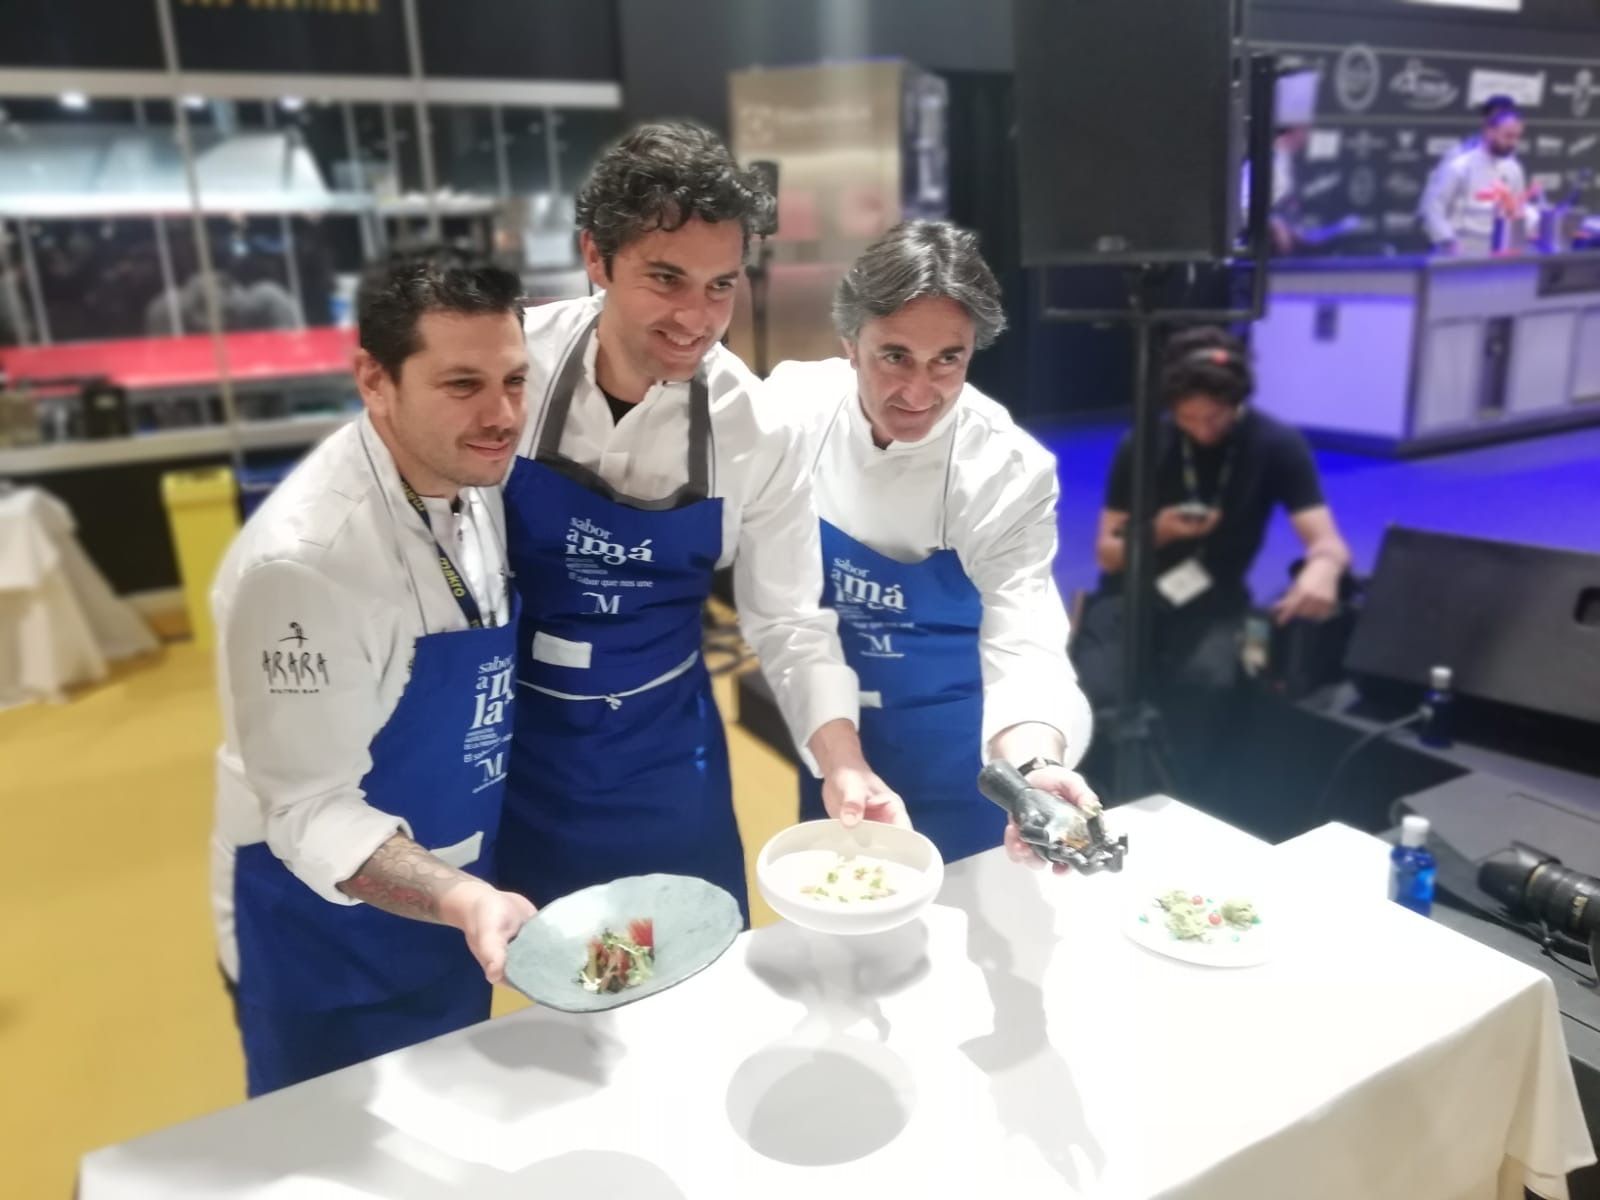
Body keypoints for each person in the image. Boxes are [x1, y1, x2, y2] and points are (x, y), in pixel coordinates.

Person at [496, 122, 906, 922]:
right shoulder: (511, 369)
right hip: (514, 744)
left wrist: (843, 760)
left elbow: (788, 617)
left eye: (721, 285)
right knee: (537, 977)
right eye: (666, 278)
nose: (697, 317)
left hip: (660, 752)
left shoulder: (754, 428)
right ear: (594, 256)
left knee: (690, 974)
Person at [211, 256, 535, 1096]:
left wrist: (467, 896)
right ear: (374, 380)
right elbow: (309, 809)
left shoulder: (470, 474)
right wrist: (463, 899)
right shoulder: (306, 566)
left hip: (455, 896)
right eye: (462, 383)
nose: (501, 415)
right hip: (322, 934)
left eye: (513, 380)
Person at [763, 221, 1097, 869]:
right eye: (895, 356)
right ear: (849, 344)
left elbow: (1023, 640)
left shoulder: (1004, 470)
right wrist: (841, 758)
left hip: (965, 760)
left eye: (949, 359)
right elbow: (785, 612)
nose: (920, 393)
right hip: (835, 740)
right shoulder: (794, 412)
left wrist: (1032, 768)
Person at [1072, 326, 1350, 790]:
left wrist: (1324, 569)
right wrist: (1157, 531)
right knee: (1093, 690)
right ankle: (1091, 796)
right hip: (1133, 591)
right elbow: (1108, 554)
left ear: (1236, 402)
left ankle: (1181, 797)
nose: (1202, 430)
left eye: (1216, 419)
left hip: (1213, 598)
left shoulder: (1276, 445)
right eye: (1189, 419)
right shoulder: (1141, 444)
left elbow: (1329, 544)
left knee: (1204, 688)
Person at [1420, 98, 1538, 256]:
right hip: (1458, 250)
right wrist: (1449, 242)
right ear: (1489, 130)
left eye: (1517, 137)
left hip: (1497, 253)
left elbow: (1518, 208)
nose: (1513, 143)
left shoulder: (1514, 168)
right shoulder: (1459, 164)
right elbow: (1432, 208)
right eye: (1508, 136)